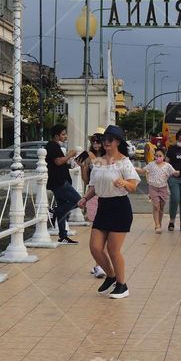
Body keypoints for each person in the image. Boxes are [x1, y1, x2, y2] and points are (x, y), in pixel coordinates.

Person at [78, 124, 140, 299]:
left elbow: (134, 185)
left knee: (113, 250)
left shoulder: (124, 162)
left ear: (118, 142)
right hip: (103, 206)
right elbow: (94, 186)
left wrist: (124, 183)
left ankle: (122, 285)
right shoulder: (99, 162)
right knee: (95, 248)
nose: (105, 142)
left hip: (119, 206)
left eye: (109, 139)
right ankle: (111, 276)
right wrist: (85, 198)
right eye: (103, 139)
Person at [46, 124, 80, 244]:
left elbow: (61, 162)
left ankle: (63, 236)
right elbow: (58, 161)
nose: (65, 136)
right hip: (59, 182)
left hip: (61, 181)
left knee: (63, 208)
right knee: (78, 200)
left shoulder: (56, 146)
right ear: (56, 136)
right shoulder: (52, 146)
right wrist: (69, 155)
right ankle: (55, 211)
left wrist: (69, 160)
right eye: (63, 134)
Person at [80, 134, 106, 274]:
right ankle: (99, 264)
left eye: (98, 141)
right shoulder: (87, 156)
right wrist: (83, 167)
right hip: (92, 194)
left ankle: (100, 265)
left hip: (105, 194)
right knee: (97, 229)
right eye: (93, 141)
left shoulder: (107, 156)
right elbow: (86, 180)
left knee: (102, 230)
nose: (95, 144)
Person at [143, 147, 175, 233]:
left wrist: (177, 172)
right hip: (153, 187)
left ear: (164, 156)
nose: (158, 157)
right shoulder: (151, 164)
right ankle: (157, 225)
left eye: (160, 155)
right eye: (156, 156)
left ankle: (159, 223)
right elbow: (143, 170)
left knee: (161, 206)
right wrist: (134, 169)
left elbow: (173, 172)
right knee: (156, 206)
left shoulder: (167, 166)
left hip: (163, 188)